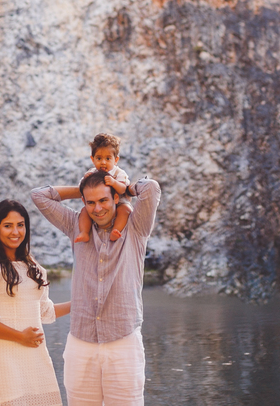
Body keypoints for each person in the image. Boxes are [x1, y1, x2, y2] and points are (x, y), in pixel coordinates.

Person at [31, 134, 162, 406]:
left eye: (103, 200)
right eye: (90, 203)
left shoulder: (136, 227)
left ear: (114, 199)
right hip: (81, 344)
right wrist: (83, 188)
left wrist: (122, 186)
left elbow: (151, 189)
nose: (97, 208)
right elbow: (39, 196)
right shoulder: (76, 227)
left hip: (123, 342)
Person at [0, 199, 71, 406]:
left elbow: (45, 311)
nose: (15, 231)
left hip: (36, 359)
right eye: (8, 225)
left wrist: (80, 303)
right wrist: (20, 337)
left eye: (20, 225)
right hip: (4, 361)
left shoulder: (34, 267)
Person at [75, 133, 132, 243]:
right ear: (93, 159)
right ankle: (84, 232)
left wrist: (114, 183)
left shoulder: (118, 173)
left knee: (125, 210)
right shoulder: (92, 173)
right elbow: (81, 189)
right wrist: (85, 180)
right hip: (102, 203)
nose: (103, 162)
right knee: (84, 211)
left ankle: (116, 230)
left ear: (116, 160)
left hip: (120, 202)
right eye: (99, 158)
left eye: (108, 158)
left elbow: (122, 189)